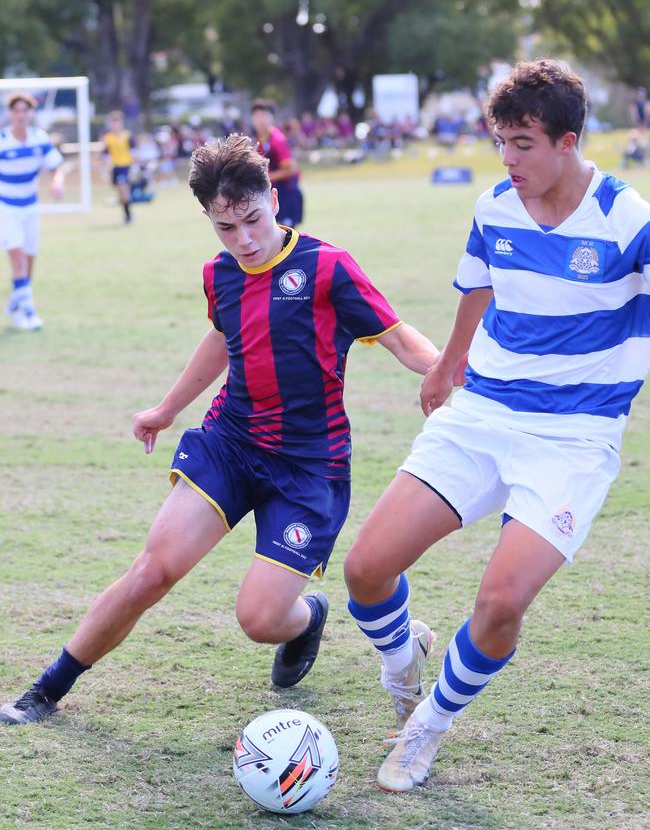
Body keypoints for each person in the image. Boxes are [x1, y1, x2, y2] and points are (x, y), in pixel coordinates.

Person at [0, 133, 440, 726]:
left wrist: (446, 370)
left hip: (310, 466)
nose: (244, 241)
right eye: (225, 229)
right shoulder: (221, 275)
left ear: (274, 200)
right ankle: (47, 689)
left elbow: (396, 334)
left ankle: (307, 618)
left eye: (252, 221)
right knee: (152, 570)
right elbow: (222, 339)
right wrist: (167, 407)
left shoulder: (329, 267)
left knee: (259, 620)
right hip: (231, 443)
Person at [343, 59, 650, 793]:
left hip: (573, 438)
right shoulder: (494, 207)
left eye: (522, 144)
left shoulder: (625, 217)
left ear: (568, 142)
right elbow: (478, 287)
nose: (507, 159)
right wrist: (447, 367)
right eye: (500, 142)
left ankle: (427, 728)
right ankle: (401, 663)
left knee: (502, 601)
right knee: (365, 569)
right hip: (482, 414)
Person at [1, 91, 65, 331]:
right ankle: (29, 312)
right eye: (16, 110)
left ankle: (15, 304)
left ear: (30, 113)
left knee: (29, 264)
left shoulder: (40, 139)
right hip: (6, 208)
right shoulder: (2, 140)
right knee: (17, 259)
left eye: (24, 110)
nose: (20, 115)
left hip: (30, 207)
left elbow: (56, 166)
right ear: (10, 114)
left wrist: (57, 181)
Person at [251, 98, 304, 227]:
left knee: (285, 238)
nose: (260, 120)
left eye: (264, 115)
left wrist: (262, 179)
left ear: (272, 118)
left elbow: (290, 169)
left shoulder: (277, 139)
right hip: (270, 194)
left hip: (285, 194)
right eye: (257, 116)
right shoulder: (260, 139)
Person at [101, 110, 135, 225]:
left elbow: (133, 152)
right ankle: (127, 215)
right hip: (114, 168)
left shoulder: (127, 136)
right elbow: (106, 154)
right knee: (121, 195)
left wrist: (134, 166)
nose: (116, 125)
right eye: (114, 122)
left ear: (121, 123)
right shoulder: (108, 138)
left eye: (118, 122)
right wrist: (105, 169)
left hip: (125, 166)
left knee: (122, 190)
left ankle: (129, 216)